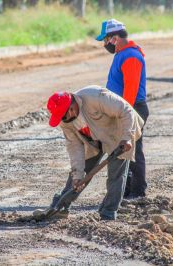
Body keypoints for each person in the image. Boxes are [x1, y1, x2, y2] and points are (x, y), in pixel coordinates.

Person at [46, 85, 144, 220]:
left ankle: (108, 213)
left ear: (72, 108)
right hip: (93, 140)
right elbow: (74, 147)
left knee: (116, 175)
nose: (62, 119)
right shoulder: (64, 120)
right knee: (78, 175)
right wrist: (78, 175)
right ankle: (61, 207)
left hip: (120, 134)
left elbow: (126, 111)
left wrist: (126, 138)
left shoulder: (95, 97)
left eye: (63, 115)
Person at [96, 19, 149, 199]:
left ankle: (137, 192)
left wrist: (121, 115)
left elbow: (130, 93)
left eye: (105, 40)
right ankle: (125, 190)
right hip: (122, 108)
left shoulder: (131, 57)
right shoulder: (121, 53)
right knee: (122, 150)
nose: (104, 44)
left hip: (131, 109)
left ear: (115, 38)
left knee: (132, 149)